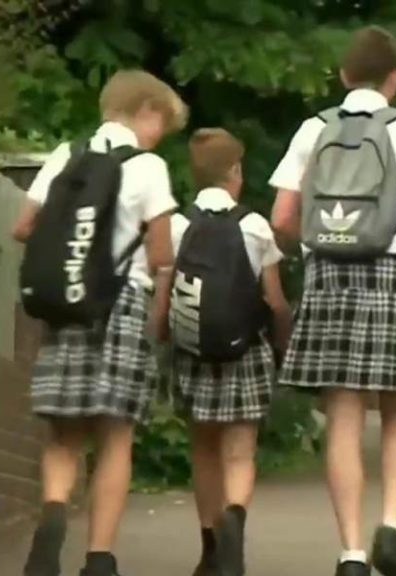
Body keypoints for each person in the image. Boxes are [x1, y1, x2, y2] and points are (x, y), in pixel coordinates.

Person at [268, 25, 396, 576]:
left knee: (343, 415)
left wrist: (319, 242)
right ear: (393, 79)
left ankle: (349, 552)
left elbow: (281, 216)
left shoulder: (313, 129)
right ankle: (391, 524)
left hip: (329, 274)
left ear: (345, 76)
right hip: (391, 271)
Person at [12, 70, 187, 576]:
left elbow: (24, 226)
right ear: (147, 111)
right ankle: (99, 558)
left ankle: (51, 517)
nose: (160, 136)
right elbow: (159, 252)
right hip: (122, 304)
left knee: (63, 435)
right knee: (115, 435)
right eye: (162, 124)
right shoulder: (148, 166)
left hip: (68, 306)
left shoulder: (67, 155)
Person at [171, 129, 293, 576]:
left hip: (194, 351)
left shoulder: (178, 225)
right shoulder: (254, 225)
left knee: (203, 449)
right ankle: (235, 522)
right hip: (246, 352)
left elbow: (165, 298)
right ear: (235, 172)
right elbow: (275, 300)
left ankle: (209, 550)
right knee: (240, 452)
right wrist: (282, 340)